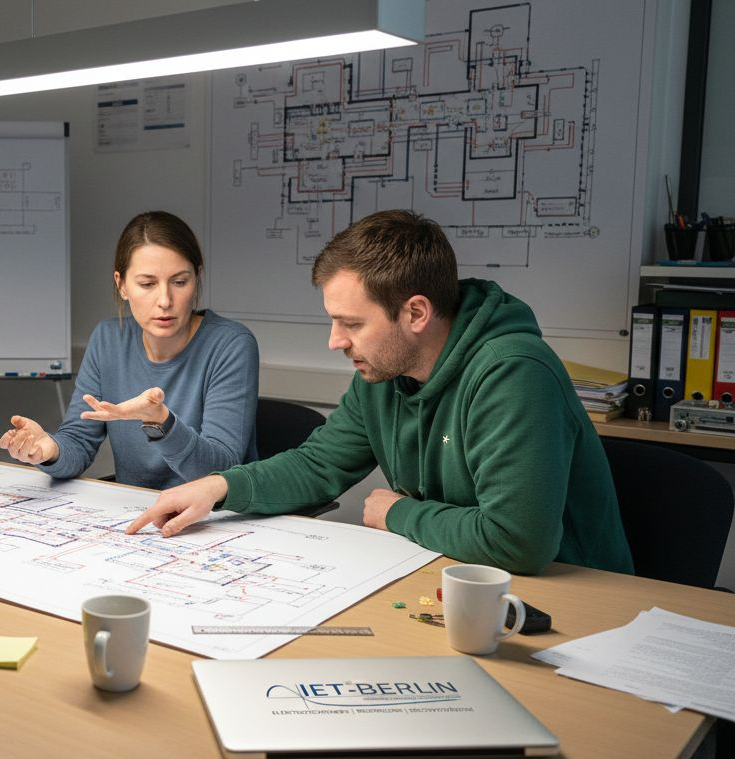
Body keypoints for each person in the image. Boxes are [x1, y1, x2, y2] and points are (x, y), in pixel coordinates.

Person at [125, 209, 634, 576]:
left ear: (415, 313)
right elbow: (317, 465)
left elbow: (517, 541)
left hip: (573, 600)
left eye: (351, 323)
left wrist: (396, 513)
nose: (335, 341)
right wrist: (217, 488)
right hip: (459, 576)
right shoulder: (384, 370)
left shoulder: (513, 373)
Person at [0, 210, 259, 490]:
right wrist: (48, 449)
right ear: (121, 285)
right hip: (135, 516)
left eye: (180, 282)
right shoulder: (108, 339)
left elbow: (221, 471)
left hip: (212, 519)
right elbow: (78, 442)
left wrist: (162, 422)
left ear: (197, 278)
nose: (165, 300)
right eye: (147, 284)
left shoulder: (231, 345)